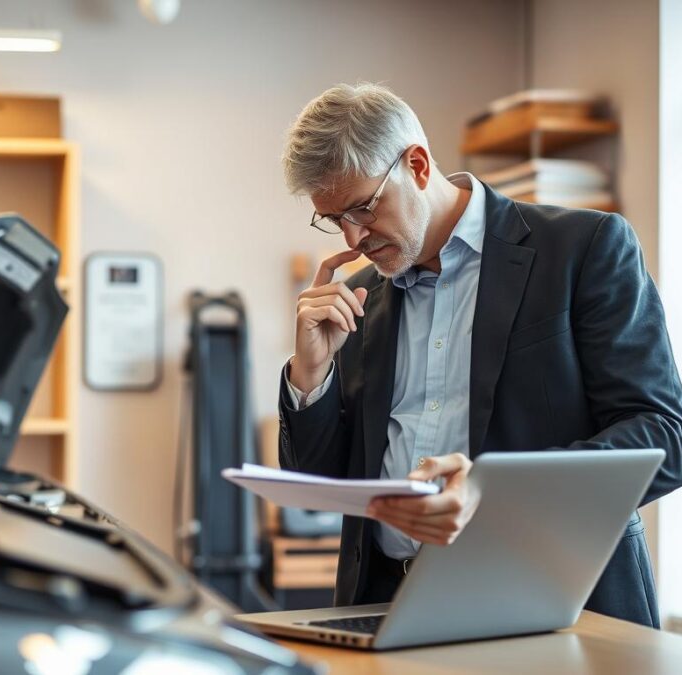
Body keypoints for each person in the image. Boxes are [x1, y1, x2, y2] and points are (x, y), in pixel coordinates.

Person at [277, 82, 682, 627]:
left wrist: (494, 495)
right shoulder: (358, 299)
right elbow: (320, 484)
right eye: (334, 219)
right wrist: (311, 374)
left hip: (555, 602)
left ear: (417, 165)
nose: (353, 238)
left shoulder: (584, 248)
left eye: (363, 209)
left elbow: (664, 434)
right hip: (387, 606)